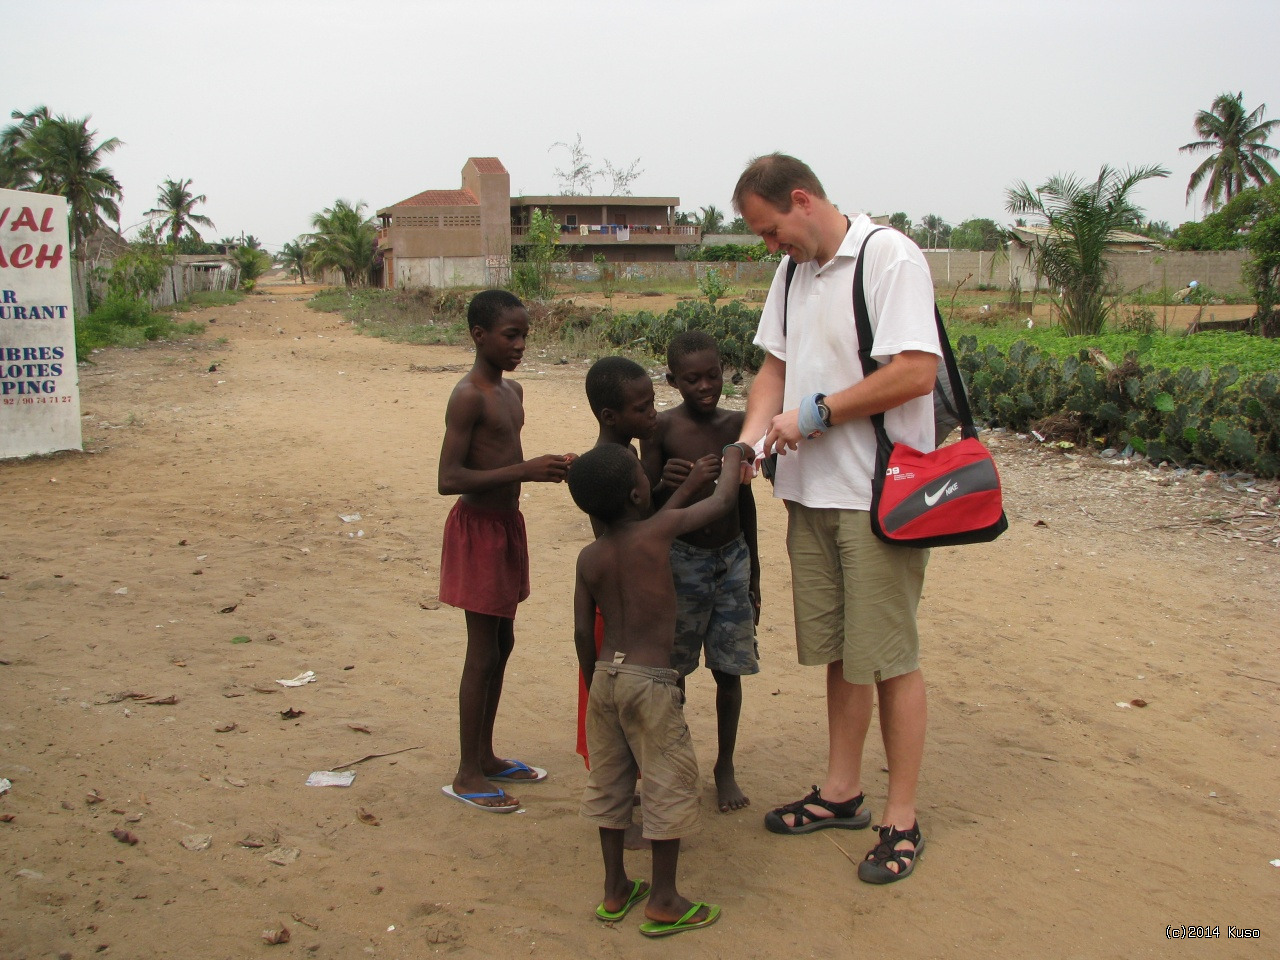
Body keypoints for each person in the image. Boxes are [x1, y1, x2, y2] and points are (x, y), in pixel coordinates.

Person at [732, 153, 940, 883]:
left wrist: (819, 413)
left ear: (801, 200)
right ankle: (842, 791)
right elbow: (773, 371)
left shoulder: (887, 259)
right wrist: (748, 445)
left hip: (878, 498)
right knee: (841, 653)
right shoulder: (792, 274)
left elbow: (917, 370)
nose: (769, 247)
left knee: (889, 657)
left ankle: (902, 818)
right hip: (810, 495)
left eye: (770, 230)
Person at [567, 441, 746, 936]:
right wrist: (733, 456)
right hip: (651, 683)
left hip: (606, 677)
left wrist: (593, 682)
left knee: (610, 786)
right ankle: (664, 899)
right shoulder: (658, 531)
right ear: (636, 494)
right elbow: (721, 503)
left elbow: (584, 632)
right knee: (667, 783)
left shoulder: (589, 557)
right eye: (642, 476)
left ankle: (615, 888)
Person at [437, 289, 574, 812]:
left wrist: (552, 466)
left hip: (506, 526)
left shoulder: (512, 390)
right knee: (482, 650)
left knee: (504, 643)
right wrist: (525, 470)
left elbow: (507, 456)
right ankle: (467, 772)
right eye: (509, 335)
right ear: (479, 336)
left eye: (524, 335)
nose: (519, 345)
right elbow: (449, 478)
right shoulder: (468, 394)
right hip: (477, 529)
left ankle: (487, 755)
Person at [640, 330, 761, 813]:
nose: (705, 386)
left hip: (731, 558)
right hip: (682, 561)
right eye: (692, 379)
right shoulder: (662, 430)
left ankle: (724, 764)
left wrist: (754, 574)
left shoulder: (738, 426)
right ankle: (677, 759)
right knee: (677, 670)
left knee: (730, 670)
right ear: (672, 381)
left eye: (713, 375)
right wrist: (661, 485)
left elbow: (744, 503)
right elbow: (645, 506)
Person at [575, 356, 659, 768]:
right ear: (610, 416)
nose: (652, 414)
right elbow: (637, 535)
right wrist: (677, 490)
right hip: (619, 613)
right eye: (642, 409)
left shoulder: (621, 455)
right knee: (615, 718)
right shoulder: (610, 466)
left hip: (620, 609)